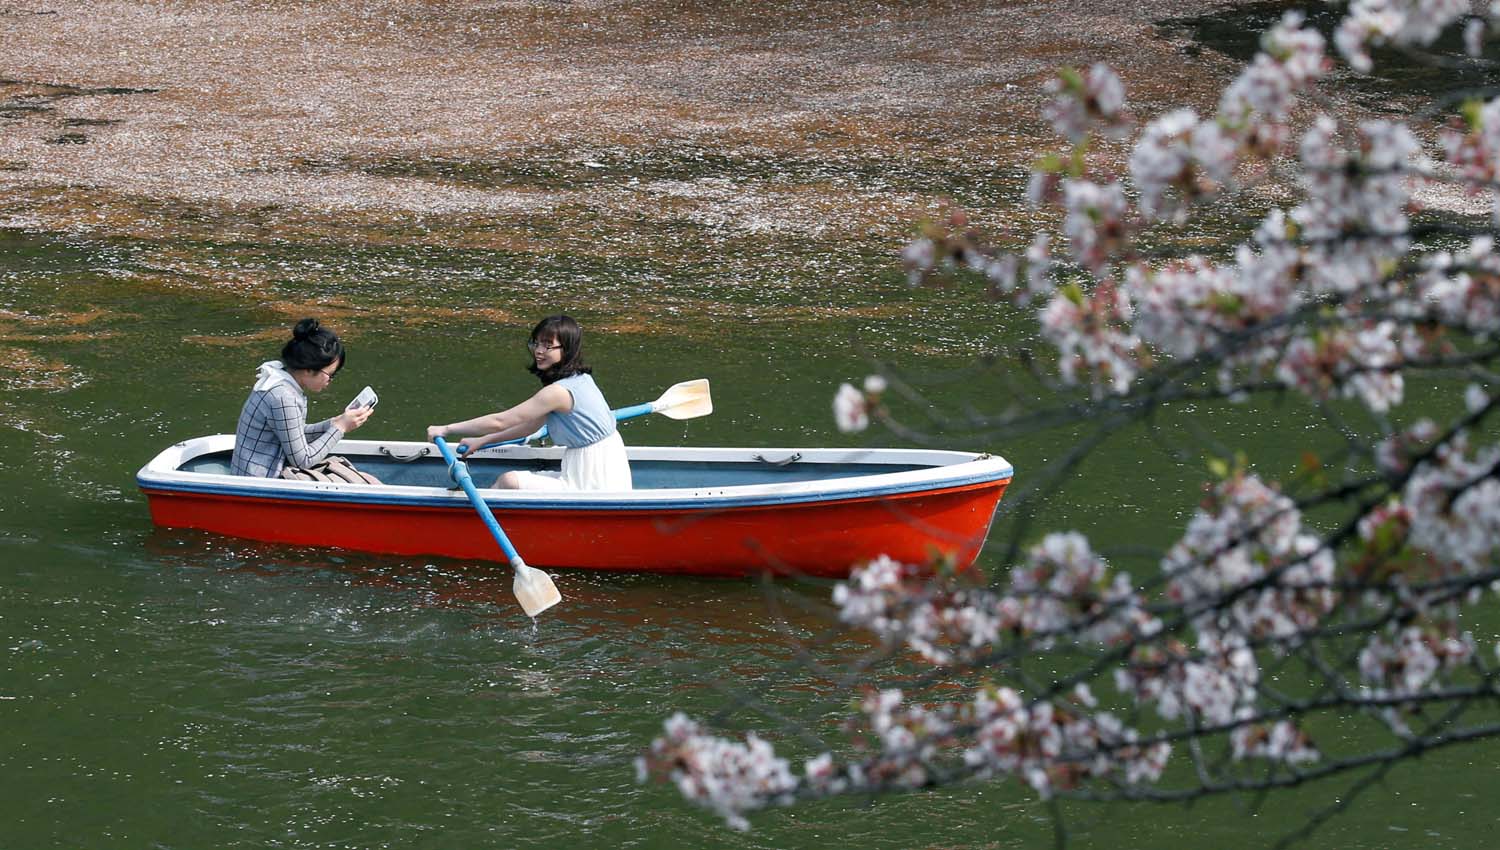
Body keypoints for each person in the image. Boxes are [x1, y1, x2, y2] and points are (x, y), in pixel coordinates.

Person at [426, 315, 633, 490]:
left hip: (593, 476)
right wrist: (482, 441)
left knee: (509, 481)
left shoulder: (557, 392)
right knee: (510, 481)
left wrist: (446, 428)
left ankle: (476, 527)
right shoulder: (580, 378)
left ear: (567, 350)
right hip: (598, 464)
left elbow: (501, 420)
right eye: (537, 343)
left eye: (548, 345)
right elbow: (529, 426)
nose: (539, 351)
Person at [230, 318, 373, 477]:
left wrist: (332, 423)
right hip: (260, 484)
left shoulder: (280, 380)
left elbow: (293, 433)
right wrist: (340, 428)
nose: (330, 381)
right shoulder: (283, 397)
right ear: (308, 369)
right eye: (330, 375)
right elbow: (303, 460)